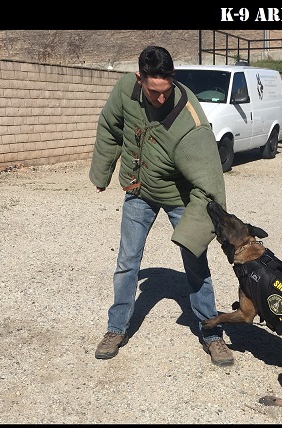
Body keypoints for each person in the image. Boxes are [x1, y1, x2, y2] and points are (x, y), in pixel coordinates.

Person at [89, 45, 234, 366]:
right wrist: (102, 171)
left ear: (172, 80)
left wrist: (194, 232)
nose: (160, 98)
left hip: (179, 195)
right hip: (138, 189)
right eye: (153, 91)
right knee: (127, 260)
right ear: (140, 78)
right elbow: (109, 127)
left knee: (196, 263)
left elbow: (211, 186)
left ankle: (211, 333)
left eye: (165, 91)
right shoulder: (125, 90)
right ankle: (116, 328)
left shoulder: (190, 119)